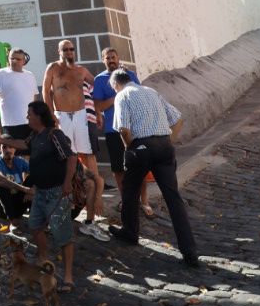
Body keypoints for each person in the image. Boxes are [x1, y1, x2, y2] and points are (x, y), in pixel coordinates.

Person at [107, 72, 202, 269]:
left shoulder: (122, 95)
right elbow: (178, 120)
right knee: (173, 198)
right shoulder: (151, 91)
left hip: (141, 146)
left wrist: (130, 148)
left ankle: (130, 232)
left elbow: (123, 129)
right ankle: (189, 251)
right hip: (164, 146)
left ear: (116, 84)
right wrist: (169, 141)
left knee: (130, 190)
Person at [43, 40, 105, 240]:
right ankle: (66, 197)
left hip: (80, 116)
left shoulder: (81, 70)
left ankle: (94, 198)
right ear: (59, 51)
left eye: (71, 49)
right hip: (62, 115)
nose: (69, 52)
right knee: (65, 156)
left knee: (86, 155)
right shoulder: (53, 68)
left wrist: (99, 109)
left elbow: (99, 85)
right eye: (65, 49)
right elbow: (46, 91)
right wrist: (50, 114)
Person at [90, 47, 152, 218]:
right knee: (119, 169)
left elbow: (140, 96)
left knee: (141, 166)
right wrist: (118, 95)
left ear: (118, 58)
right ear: (103, 60)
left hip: (135, 129)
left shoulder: (130, 75)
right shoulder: (100, 80)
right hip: (113, 130)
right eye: (107, 57)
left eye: (113, 57)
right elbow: (98, 106)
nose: (111, 60)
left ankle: (144, 201)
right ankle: (127, 200)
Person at [24, 99, 76, 290]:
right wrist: (1, 140)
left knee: (63, 235)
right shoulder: (35, 136)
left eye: (29, 114)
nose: (27, 117)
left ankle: (68, 277)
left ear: (38, 116)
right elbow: (22, 143)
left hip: (57, 192)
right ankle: (43, 258)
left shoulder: (55, 135)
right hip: (40, 192)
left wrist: (67, 183)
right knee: (35, 225)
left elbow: (71, 157)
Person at [0, 49, 39, 142]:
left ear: (24, 61)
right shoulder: (1, 74)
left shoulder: (30, 75)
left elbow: (34, 100)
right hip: (10, 124)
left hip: (31, 124)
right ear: (8, 59)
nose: (14, 61)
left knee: (30, 154)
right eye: (12, 58)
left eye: (18, 59)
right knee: (14, 154)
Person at [0, 139, 31, 229]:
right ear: (0, 149)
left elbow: (35, 173)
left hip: (16, 202)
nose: (8, 150)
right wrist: (24, 189)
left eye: (10, 147)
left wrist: (32, 189)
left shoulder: (19, 161)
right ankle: (12, 220)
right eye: (4, 147)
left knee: (32, 179)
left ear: (15, 149)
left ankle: (35, 215)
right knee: (2, 184)